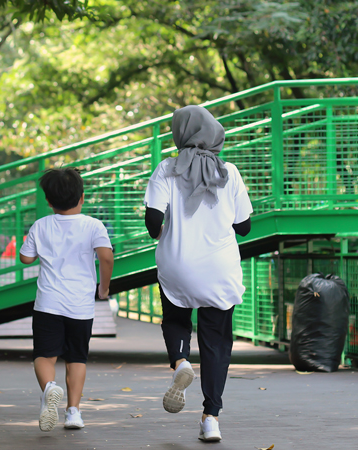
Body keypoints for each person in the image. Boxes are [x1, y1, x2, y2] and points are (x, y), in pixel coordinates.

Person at [143, 105, 253, 442]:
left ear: (180, 133)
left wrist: (169, 233)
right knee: (216, 343)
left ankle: (180, 362)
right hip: (219, 269)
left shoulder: (167, 169)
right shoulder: (229, 171)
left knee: (176, 320)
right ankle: (211, 419)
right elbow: (245, 227)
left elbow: (152, 224)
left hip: (178, 264)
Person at [19, 168, 113, 432]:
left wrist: (36, 250)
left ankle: (49, 388)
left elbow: (25, 258)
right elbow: (106, 257)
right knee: (77, 359)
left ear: (48, 201)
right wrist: (103, 288)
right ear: (82, 198)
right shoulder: (94, 225)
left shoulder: (41, 225)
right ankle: (73, 413)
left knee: (44, 356)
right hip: (80, 306)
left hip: (48, 304)